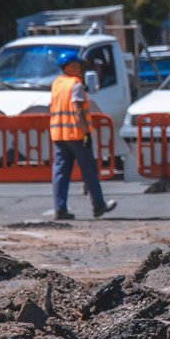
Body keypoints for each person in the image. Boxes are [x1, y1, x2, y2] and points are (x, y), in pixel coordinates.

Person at [49, 52, 116, 221]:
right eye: (77, 65)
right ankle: (98, 206)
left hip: (59, 136)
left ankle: (60, 209)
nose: (80, 68)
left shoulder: (57, 83)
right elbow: (78, 110)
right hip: (76, 136)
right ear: (70, 66)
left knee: (60, 173)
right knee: (89, 171)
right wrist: (86, 133)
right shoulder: (75, 84)